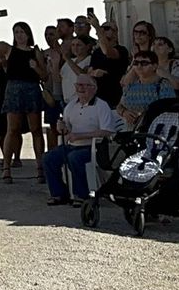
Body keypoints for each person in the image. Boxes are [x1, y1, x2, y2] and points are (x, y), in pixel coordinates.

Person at [0, 14, 48, 184]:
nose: (19, 35)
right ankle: (7, 167)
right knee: (12, 129)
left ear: (28, 34)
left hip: (31, 89)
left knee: (36, 129)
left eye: (22, 31)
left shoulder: (36, 52)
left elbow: (45, 75)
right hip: (13, 89)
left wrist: (36, 67)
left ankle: (40, 167)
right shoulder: (8, 50)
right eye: (16, 32)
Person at [43, 76, 121, 205]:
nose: (81, 88)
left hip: (93, 147)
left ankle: (81, 195)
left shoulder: (101, 106)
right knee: (49, 158)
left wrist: (81, 136)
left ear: (94, 88)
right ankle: (58, 194)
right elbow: (66, 129)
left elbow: (107, 131)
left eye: (85, 85)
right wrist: (61, 127)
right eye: (78, 85)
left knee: (74, 158)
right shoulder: (71, 105)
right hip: (72, 145)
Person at [118, 50, 175, 128]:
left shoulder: (163, 85)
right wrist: (124, 112)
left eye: (144, 63)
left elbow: (170, 109)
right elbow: (120, 105)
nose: (139, 66)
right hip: (131, 130)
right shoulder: (130, 85)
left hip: (155, 130)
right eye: (136, 63)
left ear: (154, 66)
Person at [89, 22, 130, 112]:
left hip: (115, 98)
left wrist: (97, 28)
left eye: (106, 28)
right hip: (98, 99)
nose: (103, 30)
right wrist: (94, 73)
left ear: (115, 33)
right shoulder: (96, 52)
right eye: (102, 28)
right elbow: (88, 72)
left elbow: (107, 52)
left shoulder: (122, 50)